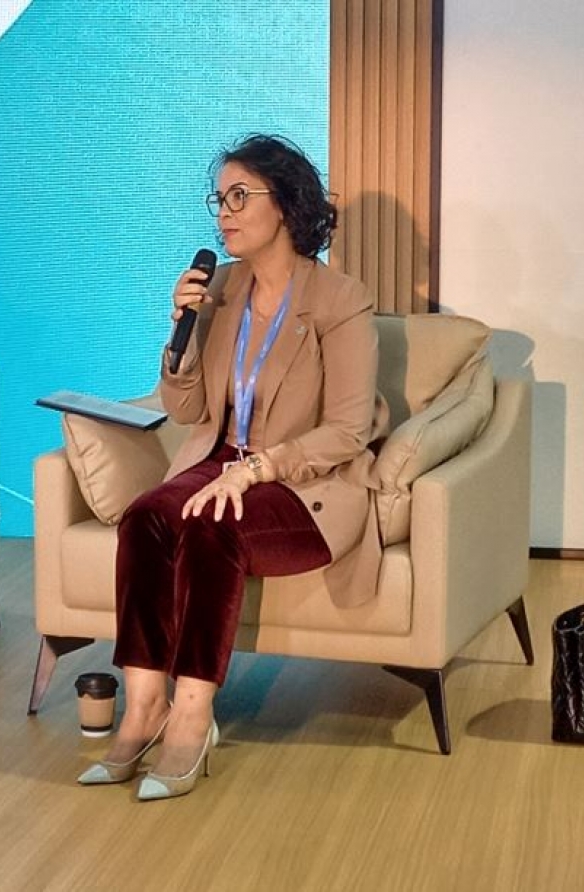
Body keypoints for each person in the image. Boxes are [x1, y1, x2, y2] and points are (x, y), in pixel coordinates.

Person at [77, 134, 388, 800]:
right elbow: (188, 409)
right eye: (219, 199)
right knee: (146, 517)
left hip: (308, 482)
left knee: (214, 523)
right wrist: (180, 333)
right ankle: (144, 708)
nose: (224, 212)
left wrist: (258, 469)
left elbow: (348, 431)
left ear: (288, 204)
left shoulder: (340, 299)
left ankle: (192, 717)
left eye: (240, 196)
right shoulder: (221, 288)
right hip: (222, 460)